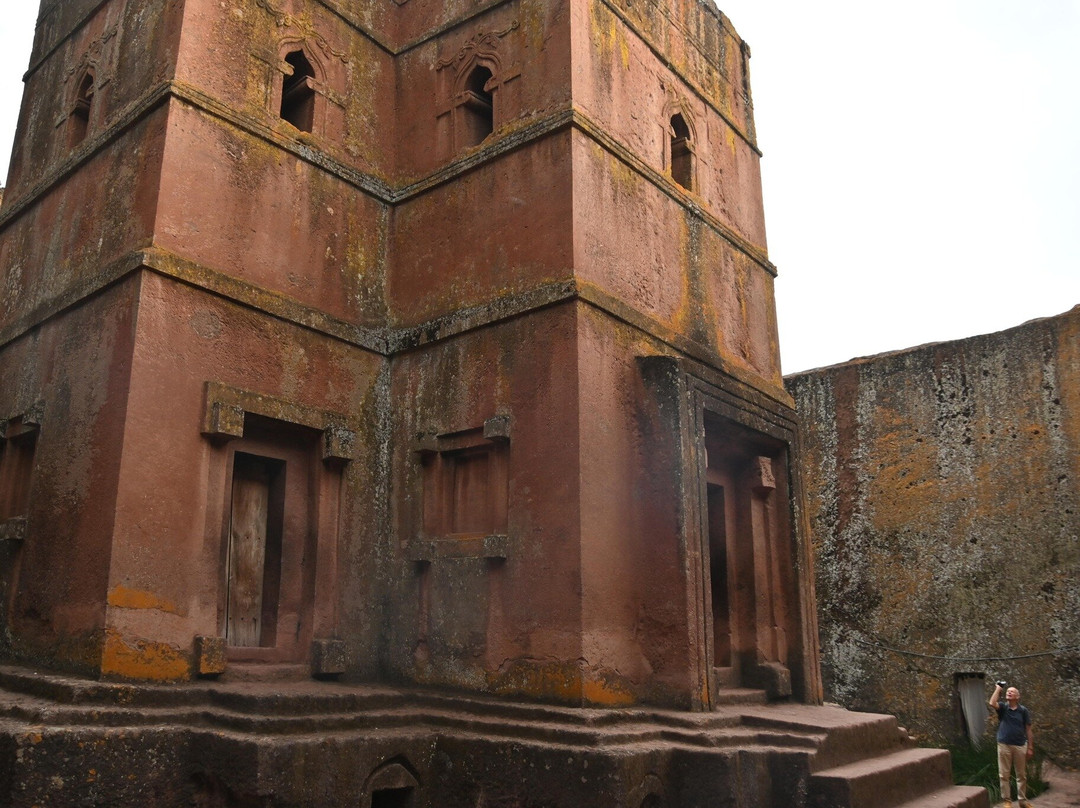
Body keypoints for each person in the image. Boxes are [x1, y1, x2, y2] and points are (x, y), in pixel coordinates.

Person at [988, 682, 1034, 808]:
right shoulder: (1003, 708)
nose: (1009, 692)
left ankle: (1022, 801)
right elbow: (992, 703)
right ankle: (1007, 801)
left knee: (1021, 775)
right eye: (1008, 691)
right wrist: (998, 689)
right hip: (1004, 745)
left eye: (1012, 691)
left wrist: (1030, 747)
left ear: (1017, 696)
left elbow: (1028, 729)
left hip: (1020, 745)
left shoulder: (1023, 711)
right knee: (1004, 774)